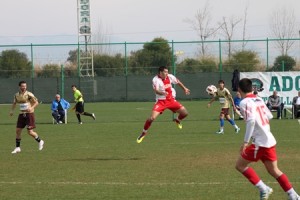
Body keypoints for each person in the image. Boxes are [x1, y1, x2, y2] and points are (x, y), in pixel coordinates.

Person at [235, 78, 300, 200]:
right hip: (269, 140)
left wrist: (245, 142)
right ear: (251, 88)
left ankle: (264, 188)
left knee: (240, 165)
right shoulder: (259, 99)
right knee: (274, 170)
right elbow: (269, 115)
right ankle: (294, 195)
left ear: (239, 89)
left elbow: (251, 121)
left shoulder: (244, 102)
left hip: (260, 143)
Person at [136, 66, 190, 143]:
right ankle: (143, 133)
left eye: (167, 72)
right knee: (151, 118)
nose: (167, 73)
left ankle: (177, 120)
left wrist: (184, 89)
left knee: (185, 113)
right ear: (160, 72)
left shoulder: (170, 77)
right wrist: (163, 93)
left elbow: (178, 82)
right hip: (161, 102)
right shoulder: (156, 80)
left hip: (171, 100)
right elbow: (156, 91)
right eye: (165, 72)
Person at [9, 81, 44, 154]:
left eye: (25, 86)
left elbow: (36, 102)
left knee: (30, 132)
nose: (24, 87)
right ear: (19, 87)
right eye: (22, 86)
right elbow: (14, 103)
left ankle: (40, 141)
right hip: (21, 114)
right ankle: (18, 147)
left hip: (29, 115)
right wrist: (12, 110)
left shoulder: (29, 94)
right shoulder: (16, 95)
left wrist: (31, 108)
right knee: (18, 130)